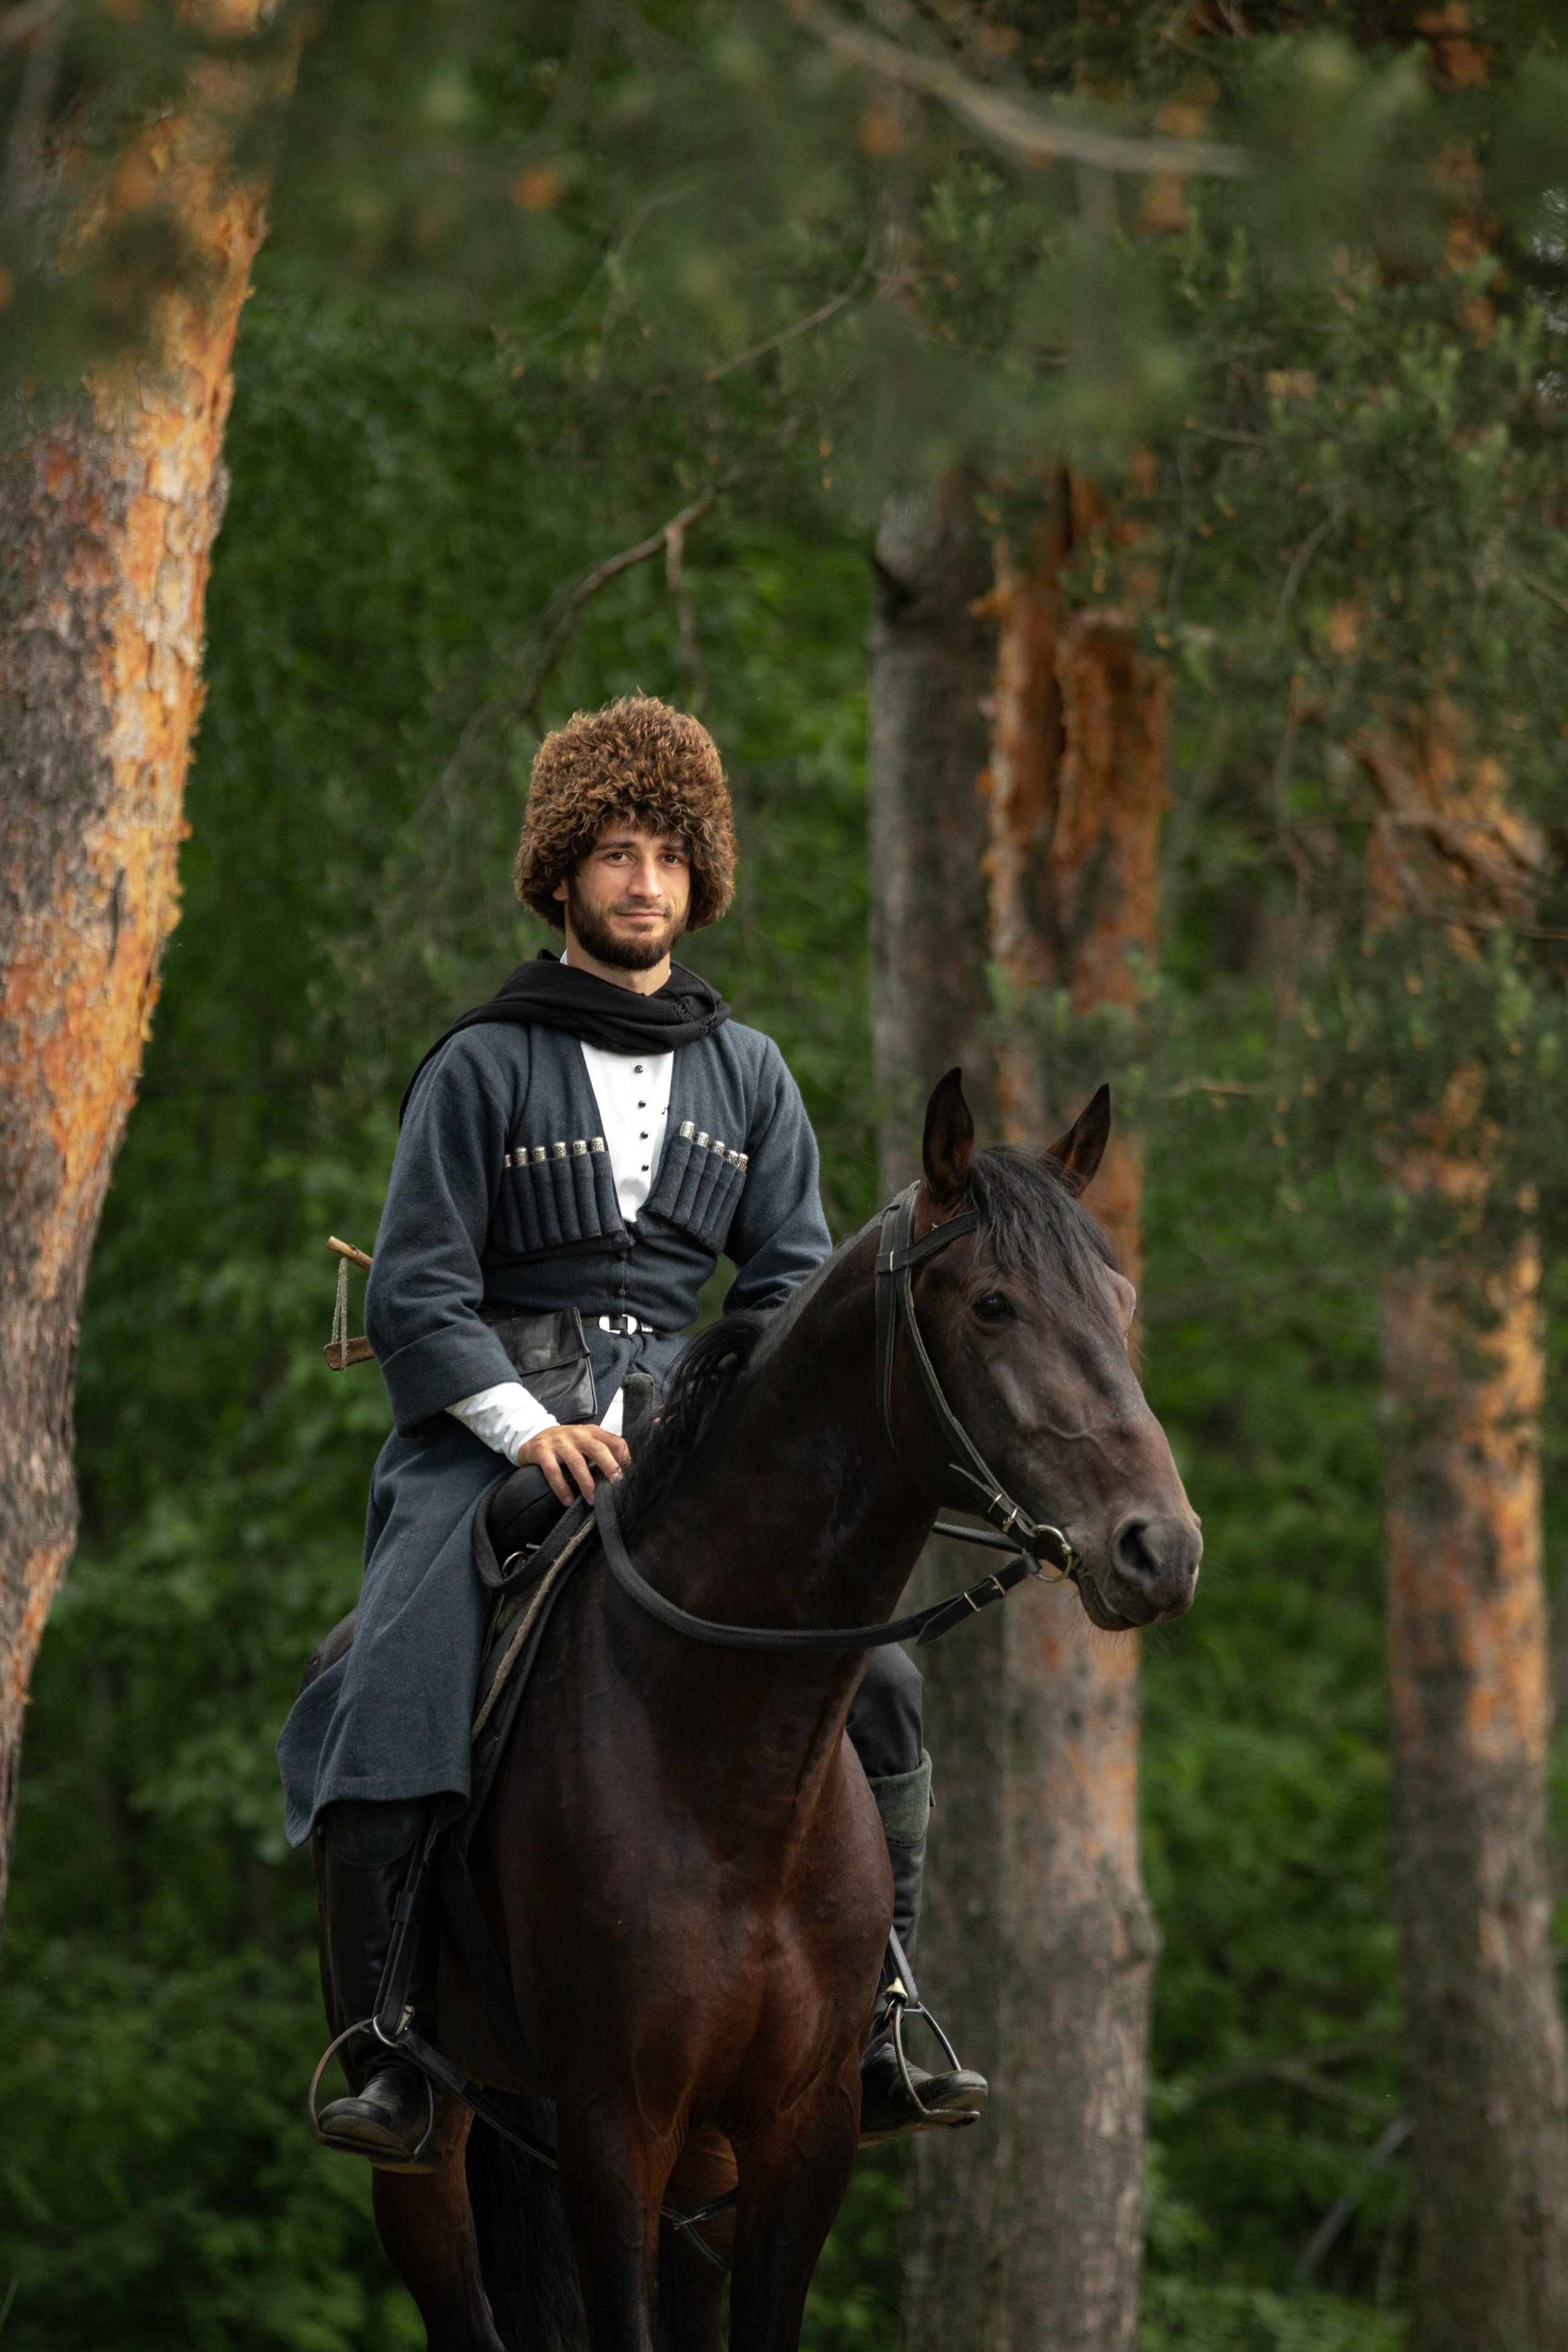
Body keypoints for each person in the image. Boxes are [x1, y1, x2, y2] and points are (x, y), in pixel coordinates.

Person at [277, 694, 985, 2167]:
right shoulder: (476, 1064)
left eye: (668, 853)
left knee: (890, 1684)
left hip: (694, 1434)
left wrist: (737, 1428)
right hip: (492, 1439)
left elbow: (792, 1287)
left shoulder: (755, 1074)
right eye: (615, 849)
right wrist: (528, 1428)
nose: (643, 879)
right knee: (376, 1672)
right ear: (561, 873)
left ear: (699, 876)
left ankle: (880, 2006)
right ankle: (389, 2042)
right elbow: (416, 1293)